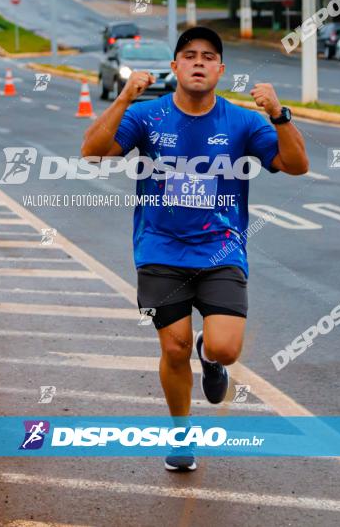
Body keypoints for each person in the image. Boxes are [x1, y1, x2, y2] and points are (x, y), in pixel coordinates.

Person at [81, 26, 309, 471]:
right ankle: (181, 434)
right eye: (189, 55)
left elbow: (296, 166)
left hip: (221, 250)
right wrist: (125, 97)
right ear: (175, 67)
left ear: (220, 70)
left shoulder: (241, 121)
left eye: (208, 56)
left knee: (225, 349)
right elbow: (92, 150)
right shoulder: (148, 116)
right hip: (159, 249)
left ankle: (211, 356)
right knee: (173, 348)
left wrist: (279, 115)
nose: (199, 62)